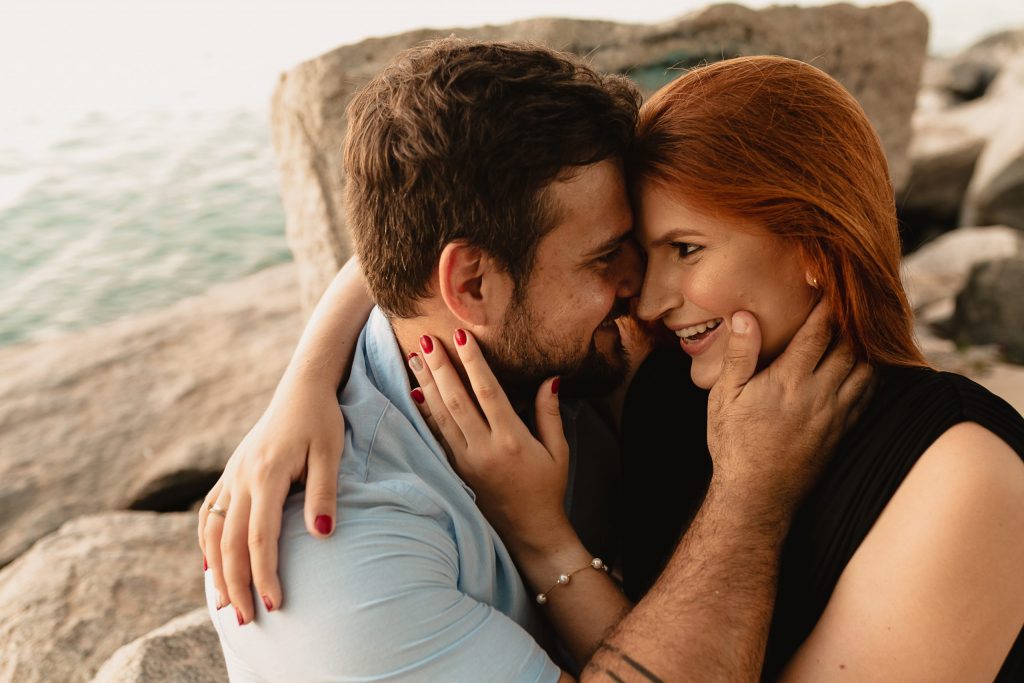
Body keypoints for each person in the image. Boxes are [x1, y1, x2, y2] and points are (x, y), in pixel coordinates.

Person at [201, 40, 865, 681]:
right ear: (471, 287)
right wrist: (751, 494)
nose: (648, 289)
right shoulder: (340, 566)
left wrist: (306, 373)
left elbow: (401, 249)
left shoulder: (540, 348)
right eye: (606, 256)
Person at [404, 57, 1024, 680]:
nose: (648, 300)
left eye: (687, 249)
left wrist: (546, 541)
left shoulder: (966, 474)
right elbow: (456, 214)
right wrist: (314, 376)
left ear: (814, 242)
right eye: (642, 255)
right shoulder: (660, 391)